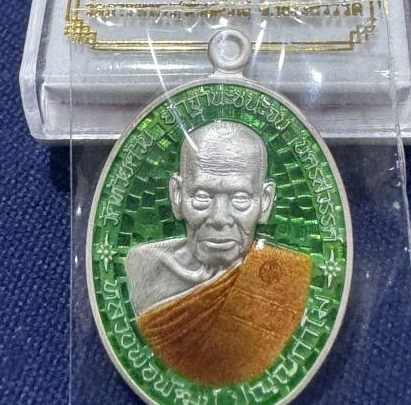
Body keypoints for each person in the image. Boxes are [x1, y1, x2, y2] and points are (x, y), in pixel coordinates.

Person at [125, 121, 312, 386]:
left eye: (240, 198)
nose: (219, 218)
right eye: (202, 196)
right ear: (177, 195)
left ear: (265, 201)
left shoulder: (289, 281)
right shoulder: (144, 268)